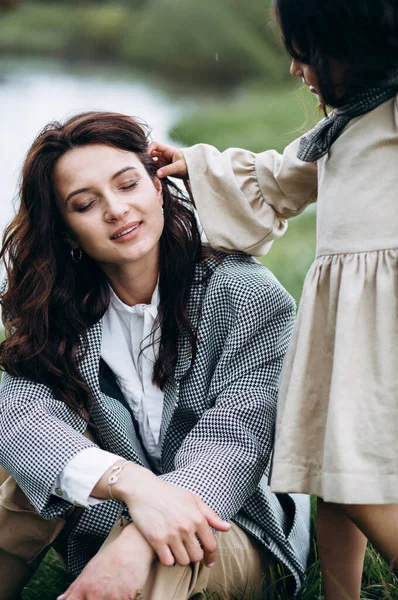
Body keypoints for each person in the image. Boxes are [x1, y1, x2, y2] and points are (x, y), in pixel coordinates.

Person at [0, 111, 310, 600]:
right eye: (85, 204)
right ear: (64, 230)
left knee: (163, 556)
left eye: (128, 185)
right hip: (115, 507)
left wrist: (139, 537)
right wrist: (133, 487)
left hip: (230, 523)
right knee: (17, 480)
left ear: (158, 187)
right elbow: (21, 419)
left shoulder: (247, 293)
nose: (117, 211)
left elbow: (238, 442)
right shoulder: (53, 307)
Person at [148, 1, 398, 599]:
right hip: (349, 328)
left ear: (359, 49)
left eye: (306, 56)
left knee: (363, 484)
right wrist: (195, 165)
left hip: (386, 326)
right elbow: (275, 183)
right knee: (335, 471)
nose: (296, 71)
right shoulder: (338, 131)